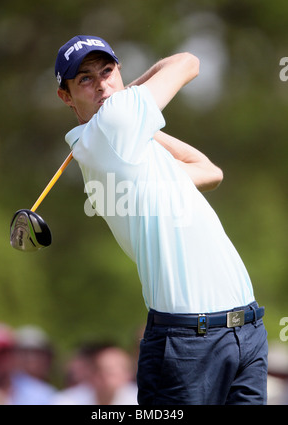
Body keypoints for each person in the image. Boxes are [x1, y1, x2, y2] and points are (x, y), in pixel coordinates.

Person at [54, 35, 268, 405]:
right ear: (67, 97)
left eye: (108, 72)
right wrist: (131, 100)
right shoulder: (112, 130)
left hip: (245, 330)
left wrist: (144, 121)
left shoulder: (130, 142)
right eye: (85, 79)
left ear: (119, 73)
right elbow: (187, 62)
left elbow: (209, 172)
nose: (102, 84)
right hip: (188, 344)